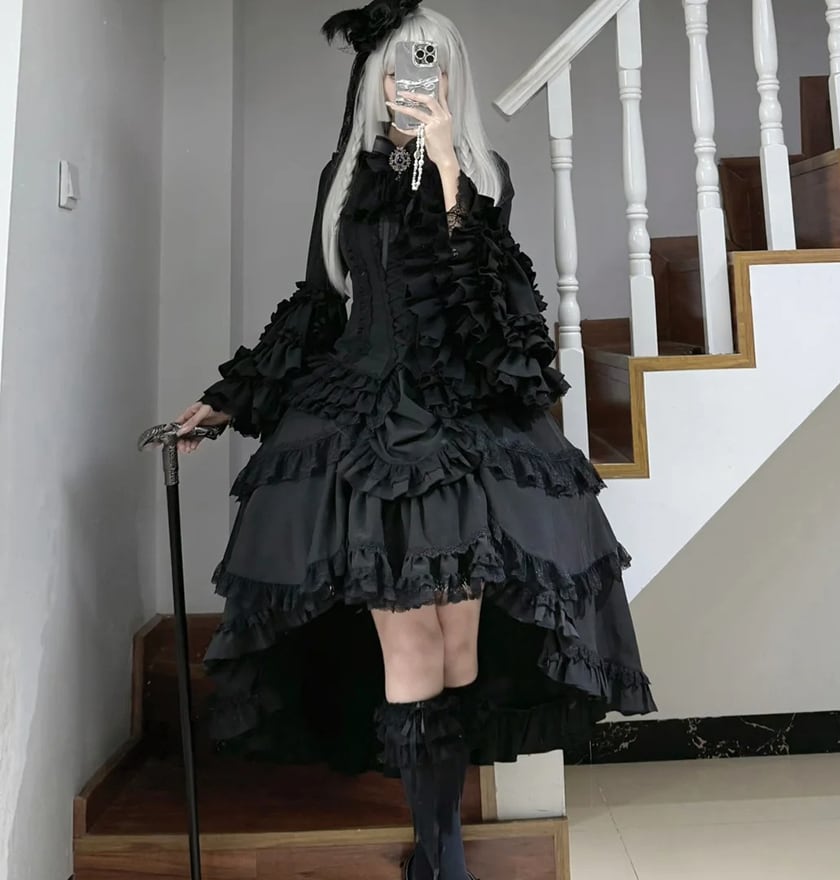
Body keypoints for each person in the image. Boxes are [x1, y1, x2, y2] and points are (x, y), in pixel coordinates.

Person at [172, 2, 657, 878]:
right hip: (367, 429)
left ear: (451, 73)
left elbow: (489, 306)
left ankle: (442, 845)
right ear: (374, 77)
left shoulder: (483, 173)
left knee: (460, 647)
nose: (409, 80)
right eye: (396, 65)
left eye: (427, 62)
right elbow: (319, 303)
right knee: (411, 643)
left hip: (465, 430)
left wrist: (447, 172)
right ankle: (443, 858)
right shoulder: (346, 177)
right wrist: (226, 400)